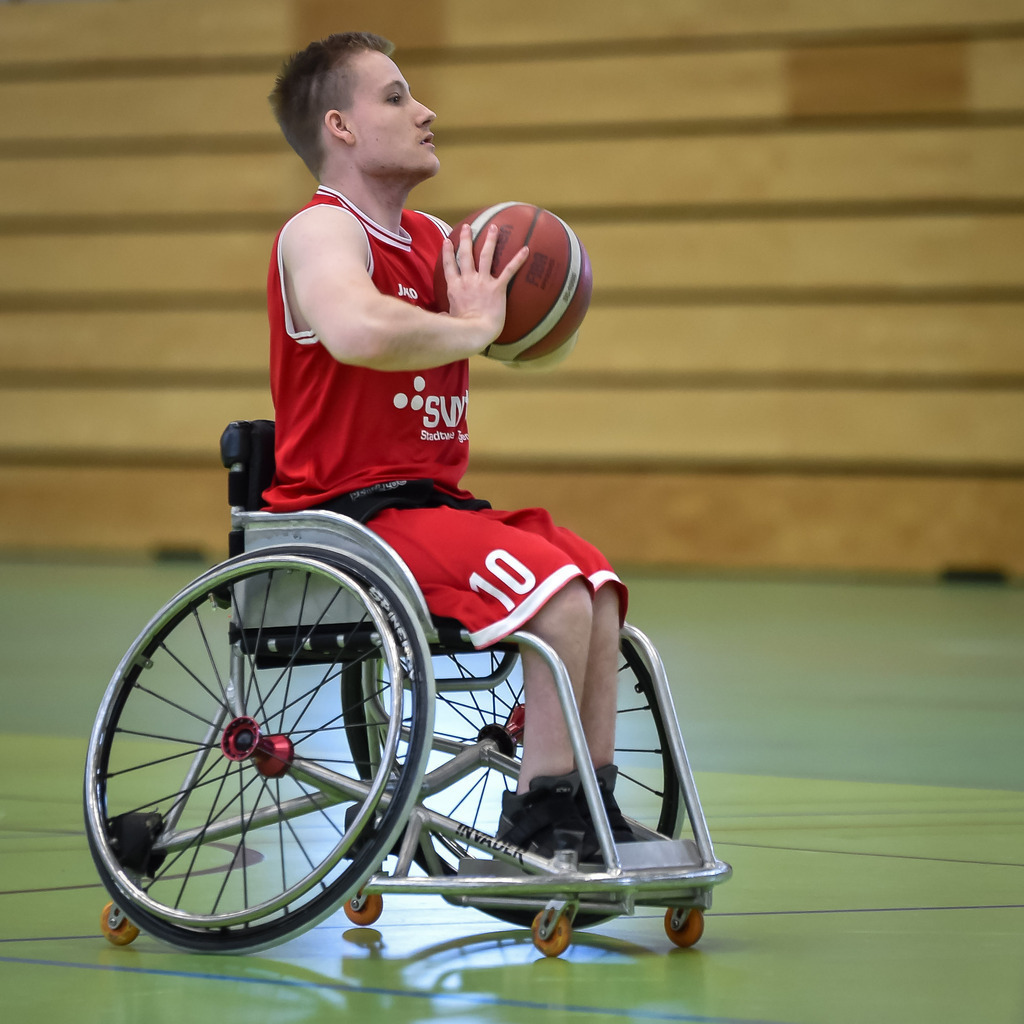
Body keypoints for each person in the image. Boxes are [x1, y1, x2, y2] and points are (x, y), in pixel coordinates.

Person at [264, 31, 633, 861]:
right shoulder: (319, 234)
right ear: (342, 128)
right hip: (350, 516)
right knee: (553, 595)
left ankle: (594, 810)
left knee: (597, 584)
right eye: (395, 97)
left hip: (431, 509)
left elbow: (522, 333)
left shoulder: (438, 241)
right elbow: (358, 328)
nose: (425, 110)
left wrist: (522, 325)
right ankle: (543, 824)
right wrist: (470, 327)